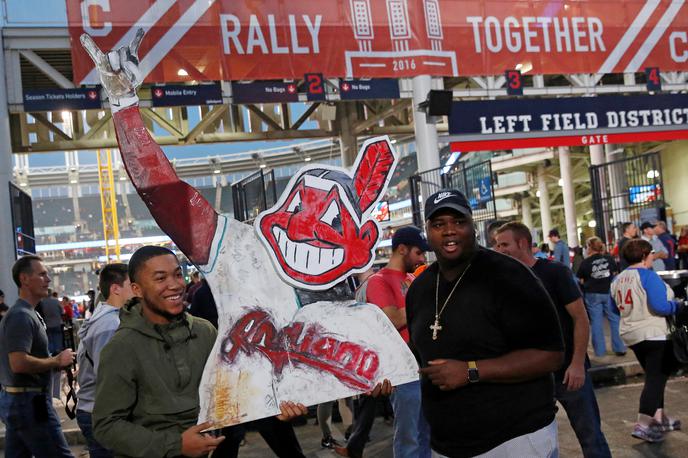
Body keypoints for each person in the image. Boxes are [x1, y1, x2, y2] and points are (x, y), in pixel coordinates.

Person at [407, 190, 564, 457]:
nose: (449, 231)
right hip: (446, 445)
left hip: (515, 440)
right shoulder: (420, 288)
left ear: (473, 226)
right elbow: (420, 354)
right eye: (438, 224)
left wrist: (471, 371)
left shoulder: (509, 275)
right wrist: (385, 376)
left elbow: (550, 355)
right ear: (427, 233)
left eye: (458, 222)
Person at [496, 223, 612, 458]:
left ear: (522, 243)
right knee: (533, 443)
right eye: (497, 245)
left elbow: (581, 318)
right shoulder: (504, 281)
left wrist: (578, 363)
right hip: (532, 378)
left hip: (570, 373)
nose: (499, 250)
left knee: (591, 438)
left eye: (504, 244)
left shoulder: (555, 273)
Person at [358, 226, 431, 458]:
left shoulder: (411, 278)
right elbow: (390, 320)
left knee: (426, 435)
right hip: (402, 370)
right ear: (402, 249)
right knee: (409, 438)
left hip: (425, 366)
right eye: (418, 253)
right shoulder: (378, 281)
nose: (421, 258)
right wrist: (421, 300)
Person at [0, 255, 76, 457]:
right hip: (30, 403)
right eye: (42, 274)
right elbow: (18, 363)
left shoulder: (27, 313)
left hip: (22, 401)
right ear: (24, 279)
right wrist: (57, 361)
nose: (48, 279)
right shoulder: (20, 316)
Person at [611, 238, 683, 443]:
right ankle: (643, 423)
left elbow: (615, 307)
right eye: (651, 253)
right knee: (655, 379)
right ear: (643, 256)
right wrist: (677, 306)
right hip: (654, 333)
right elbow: (660, 306)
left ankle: (658, 419)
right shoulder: (648, 276)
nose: (653, 256)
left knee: (655, 377)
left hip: (631, 334)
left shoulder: (617, 280)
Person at [76, 263, 134, 457]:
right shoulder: (110, 324)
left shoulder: (107, 318)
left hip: (95, 410)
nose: (137, 289)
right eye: (132, 284)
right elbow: (108, 378)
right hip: (100, 413)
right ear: (115, 288)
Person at [577, 236, 626, 357]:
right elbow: (615, 274)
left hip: (592, 294)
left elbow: (581, 280)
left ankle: (600, 351)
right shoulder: (609, 259)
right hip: (608, 292)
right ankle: (619, 347)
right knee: (615, 319)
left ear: (589, 247)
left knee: (596, 322)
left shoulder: (585, 262)